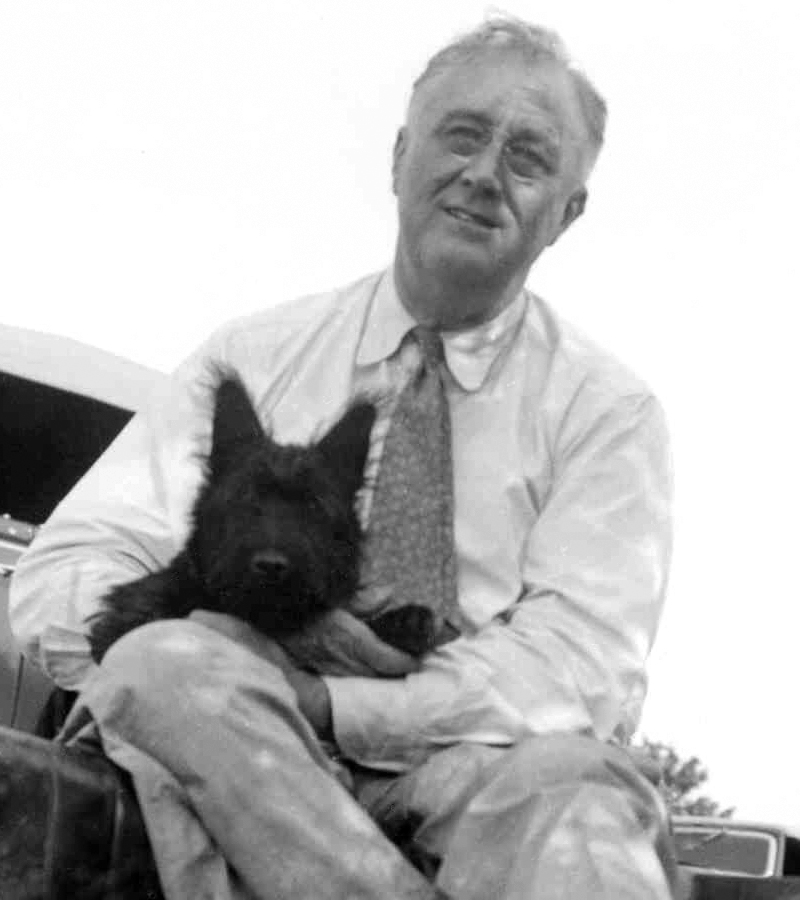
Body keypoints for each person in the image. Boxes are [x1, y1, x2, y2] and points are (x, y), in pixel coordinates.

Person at [10, 16, 679, 900]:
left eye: (527, 158)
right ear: (402, 154)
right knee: (157, 663)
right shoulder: (249, 358)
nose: (482, 175)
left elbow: (581, 668)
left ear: (568, 211)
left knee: (584, 797)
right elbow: (65, 567)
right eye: (463, 135)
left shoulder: (608, 413)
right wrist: (229, 637)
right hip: (236, 728)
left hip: (468, 771)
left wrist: (344, 702)